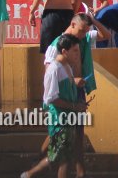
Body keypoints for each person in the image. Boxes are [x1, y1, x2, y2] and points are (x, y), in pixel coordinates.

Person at [20, 34, 86, 178]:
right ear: (64, 51)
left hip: (69, 118)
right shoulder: (54, 69)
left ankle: (28, 175)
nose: (78, 54)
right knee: (63, 160)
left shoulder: (67, 67)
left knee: (58, 158)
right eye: (75, 51)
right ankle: (28, 175)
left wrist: (77, 99)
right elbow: (50, 98)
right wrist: (74, 106)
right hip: (58, 120)